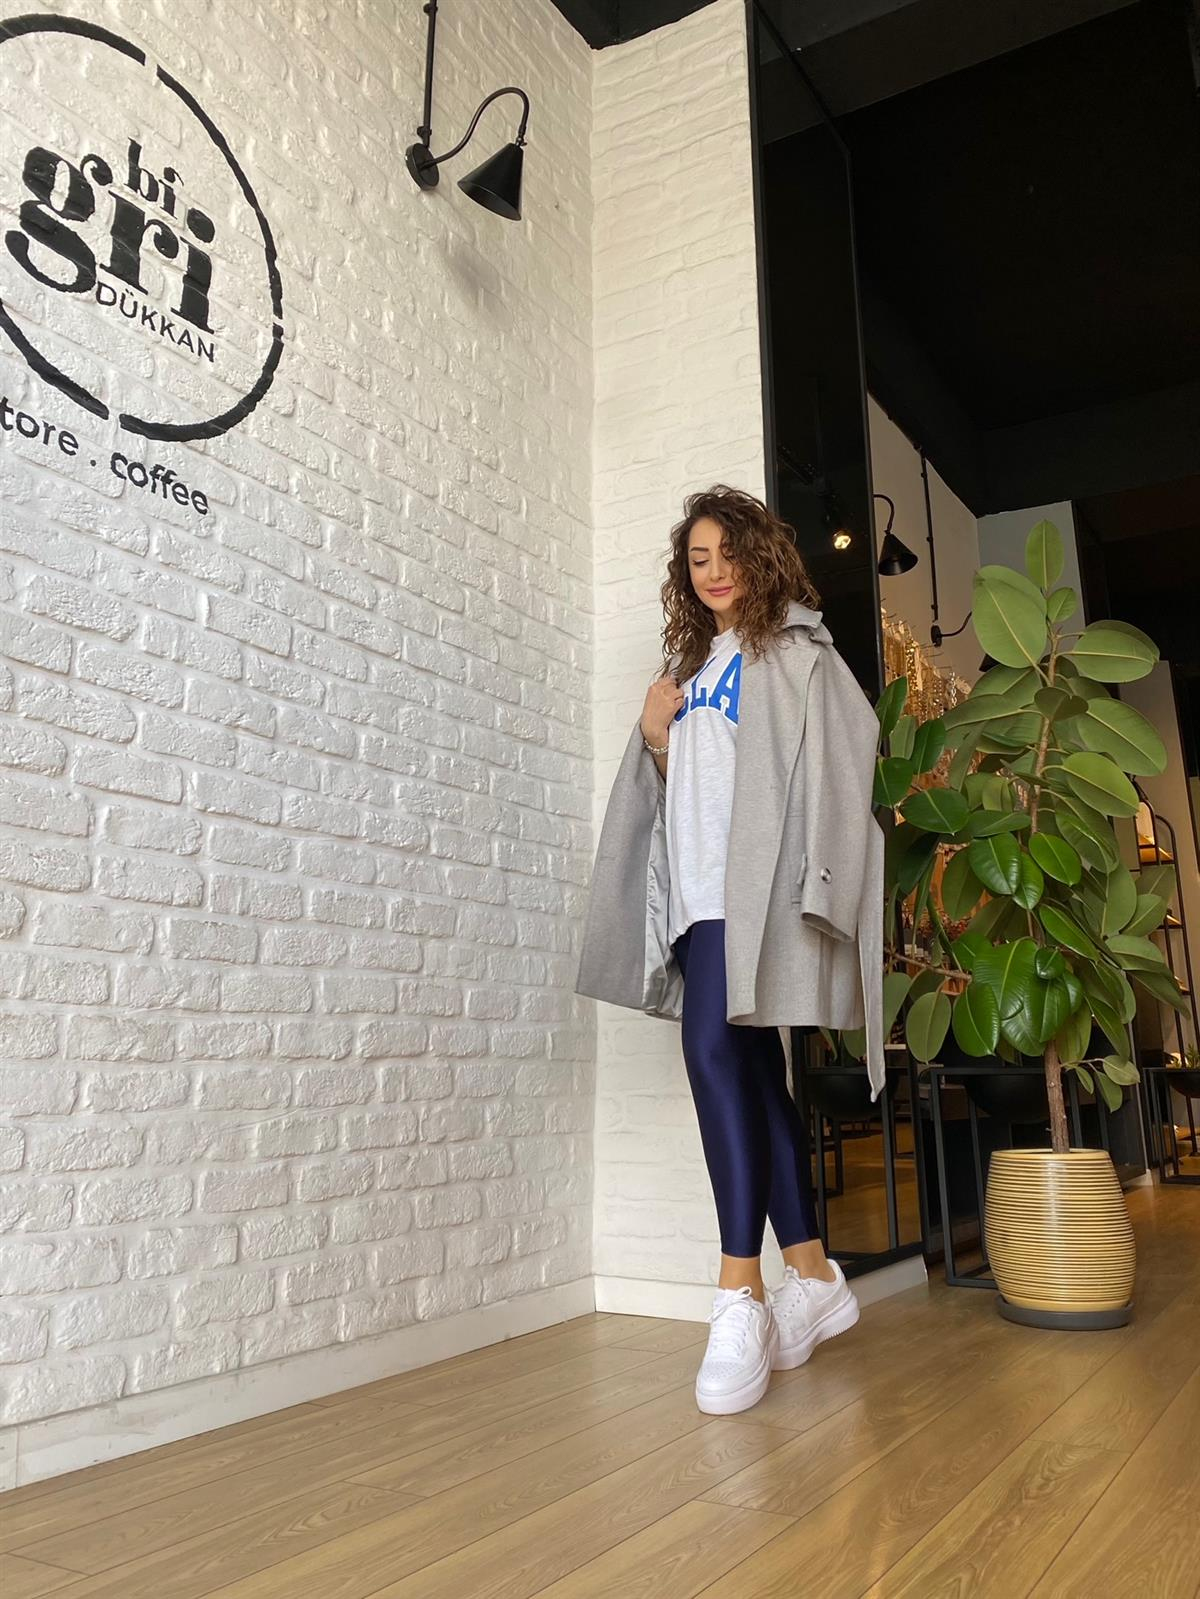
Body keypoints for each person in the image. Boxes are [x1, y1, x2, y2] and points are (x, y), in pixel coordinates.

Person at [579, 483, 882, 1418]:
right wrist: (656, 740)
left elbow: (844, 757)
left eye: (727, 553)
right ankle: (814, 1274)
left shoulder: (792, 652)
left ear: (760, 556)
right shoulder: (692, 667)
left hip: (751, 900)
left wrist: (822, 889)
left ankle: (739, 1291)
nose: (712, 572)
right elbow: (693, 789)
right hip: (695, 896)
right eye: (697, 559)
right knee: (750, 1074)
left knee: (713, 1055)